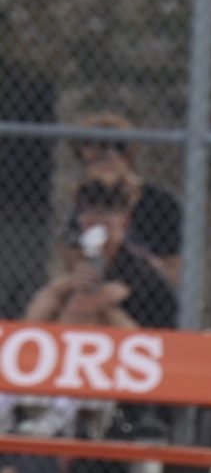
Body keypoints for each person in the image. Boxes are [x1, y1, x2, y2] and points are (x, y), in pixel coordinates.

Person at [0, 179, 177, 440]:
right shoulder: (85, 261)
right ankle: (14, 393)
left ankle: (60, 406)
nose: (97, 220)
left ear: (124, 222)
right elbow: (39, 310)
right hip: (90, 365)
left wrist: (96, 300)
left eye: (108, 213)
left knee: (83, 305)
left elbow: (146, 342)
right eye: (90, 212)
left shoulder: (138, 270)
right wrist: (66, 286)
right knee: (54, 298)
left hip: (144, 370)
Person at [67, 112, 183, 289]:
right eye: (98, 151)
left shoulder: (161, 202)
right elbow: (73, 260)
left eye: (119, 148)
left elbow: (175, 271)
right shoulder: (85, 201)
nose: (109, 157)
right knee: (57, 294)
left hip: (145, 289)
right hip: (97, 286)